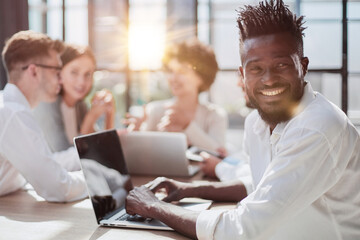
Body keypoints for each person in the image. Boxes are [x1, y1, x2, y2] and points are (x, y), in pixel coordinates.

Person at [125, 1, 360, 239]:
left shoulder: (318, 127)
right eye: (256, 69)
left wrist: (153, 207)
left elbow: (240, 230)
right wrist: (189, 189)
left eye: (281, 65)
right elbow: (259, 186)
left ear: (303, 66)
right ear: (242, 75)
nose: (269, 79)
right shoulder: (257, 123)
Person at [0, 30, 87, 202]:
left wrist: (87, 152)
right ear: (34, 71)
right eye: (57, 71)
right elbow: (59, 187)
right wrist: (99, 179)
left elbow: (43, 163)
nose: (61, 80)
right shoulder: (13, 113)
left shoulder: (9, 108)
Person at [125, 39, 228, 153]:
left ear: (201, 77)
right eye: (171, 71)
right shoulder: (155, 110)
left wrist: (187, 125)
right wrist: (136, 134)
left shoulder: (214, 115)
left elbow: (220, 153)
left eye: (182, 71)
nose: (173, 78)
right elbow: (142, 155)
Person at [33, 43, 115, 152]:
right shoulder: (46, 105)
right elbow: (65, 156)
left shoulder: (80, 106)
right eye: (74, 72)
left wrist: (109, 114)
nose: (81, 82)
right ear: (59, 73)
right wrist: (90, 118)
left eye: (88, 74)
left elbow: (102, 150)